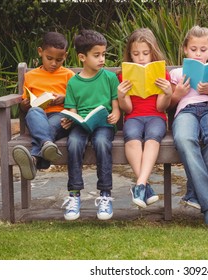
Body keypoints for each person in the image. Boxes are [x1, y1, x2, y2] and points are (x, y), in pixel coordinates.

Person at [169, 26, 208, 227]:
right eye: (194, 49)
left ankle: (195, 193)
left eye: (203, 50)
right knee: (184, 139)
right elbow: (169, 104)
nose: (198, 54)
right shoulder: (177, 73)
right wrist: (178, 93)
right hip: (186, 111)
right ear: (185, 49)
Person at [61, 30, 121, 221]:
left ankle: (105, 194)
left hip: (103, 123)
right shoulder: (73, 82)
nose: (102, 59)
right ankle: (74, 194)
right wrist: (69, 118)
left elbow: (115, 107)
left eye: (103, 54)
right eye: (96, 55)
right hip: (82, 125)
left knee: (102, 143)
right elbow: (71, 109)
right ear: (82, 57)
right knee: (74, 143)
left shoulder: (109, 78)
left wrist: (115, 115)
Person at [117, 28, 172, 208]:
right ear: (130, 55)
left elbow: (160, 107)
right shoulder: (123, 76)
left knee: (152, 137)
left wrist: (167, 93)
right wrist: (122, 95)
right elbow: (128, 109)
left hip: (156, 116)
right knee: (131, 136)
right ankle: (144, 185)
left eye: (145, 53)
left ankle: (140, 184)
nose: (141, 57)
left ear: (152, 53)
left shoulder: (162, 74)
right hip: (133, 116)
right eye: (136, 54)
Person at [12, 31, 75, 181]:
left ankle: (34, 158)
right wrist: (25, 104)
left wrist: (64, 99)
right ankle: (47, 146)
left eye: (59, 60)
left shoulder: (69, 75)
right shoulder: (31, 76)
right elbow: (24, 106)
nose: (54, 63)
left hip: (60, 116)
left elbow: (77, 101)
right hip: (37, 117)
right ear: (40, 52)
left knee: (52, 125)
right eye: (49, 58)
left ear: (65, 56)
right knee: (34, 111)